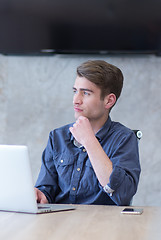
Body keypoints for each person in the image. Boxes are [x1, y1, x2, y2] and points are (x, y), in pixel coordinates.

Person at [35, 60, 141, 206]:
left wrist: (89, 141)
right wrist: (41, 194)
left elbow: (122, 195)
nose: (76, 100)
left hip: (102, 224)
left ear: (109, 101)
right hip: (59, 222)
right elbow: (46, 189)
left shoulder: (124, 138)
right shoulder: (57, 137)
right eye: (75, 91)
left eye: (85, 93)